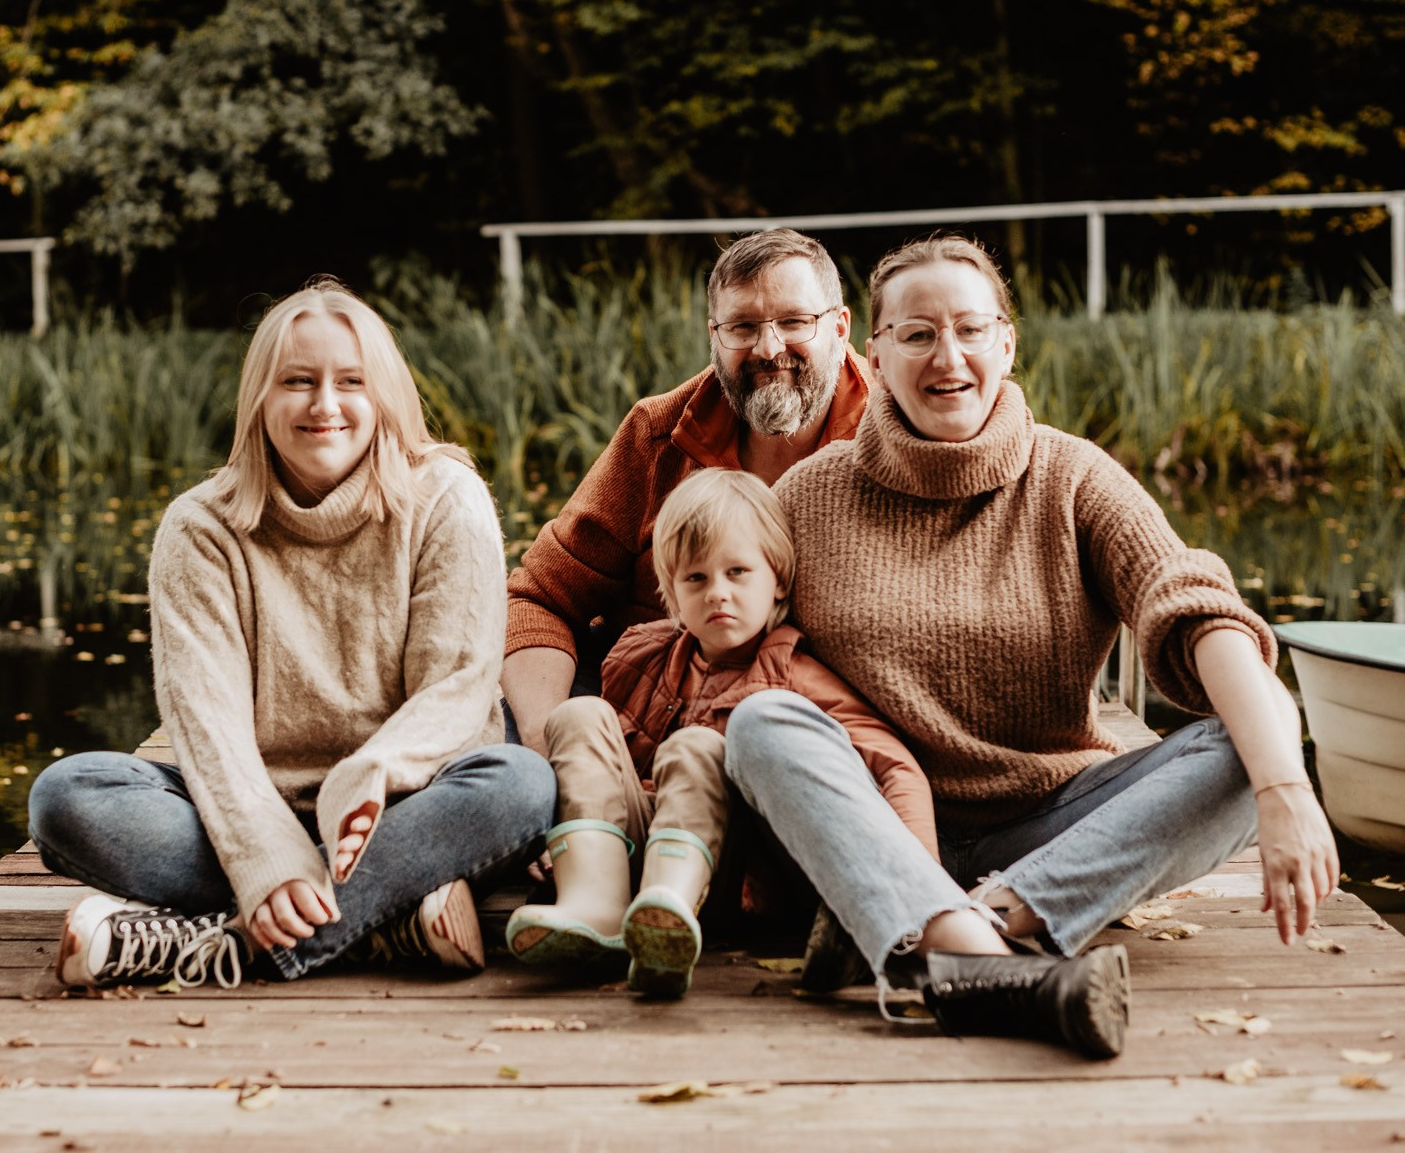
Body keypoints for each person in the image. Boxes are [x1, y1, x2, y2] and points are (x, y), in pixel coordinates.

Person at [726, 233, 1339, 1058]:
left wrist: (1283, 786)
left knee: (1253, 728)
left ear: (1006, 343)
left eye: (971, 329)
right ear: (872, 349)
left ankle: (952, 932)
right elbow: (726, 638)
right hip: (879, 818)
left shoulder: (1073, 476)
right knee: (763, 723)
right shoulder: (806, 494)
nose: (949, 356)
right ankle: (974, 949)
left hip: (1052, 825)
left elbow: (1199, 611)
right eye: (917, 333)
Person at [28, 279, 555, 990]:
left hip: (409, 808)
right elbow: (207, 725)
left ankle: (221, 942)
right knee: (67, 794)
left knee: (520, 783)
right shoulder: (200, 528)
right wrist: (264, 852)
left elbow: (457, 691)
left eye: (350, 382)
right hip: (250, 808)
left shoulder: (445, 497)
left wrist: (367, 775)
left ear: (384, 395)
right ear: (260, 398)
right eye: (298, 382)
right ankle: (381, 921)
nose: (325, 405)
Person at [503, 469, 936, 997]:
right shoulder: (640, 655)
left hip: (732, 872)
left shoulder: (797, 678)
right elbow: (600, 771)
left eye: (737, 572)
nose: (718, 594)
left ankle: (671, 913)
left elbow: (895, 767)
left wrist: (922, 896)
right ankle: (597, 906)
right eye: (697, 579)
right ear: (670, 593)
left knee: (696, 746)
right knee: (578, 715)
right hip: (639, 846)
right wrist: (545, 830)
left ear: (777, 579)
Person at [503, 228, 873, 753]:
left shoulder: (890, 442)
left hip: (808, 737)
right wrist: (550, 744)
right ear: (714, 337)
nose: (769, 349)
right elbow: (541, 597)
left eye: (794, 322)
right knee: (508, 775)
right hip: (640, 709)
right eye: (742, 326)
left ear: (840, 327)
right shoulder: (658, 434)